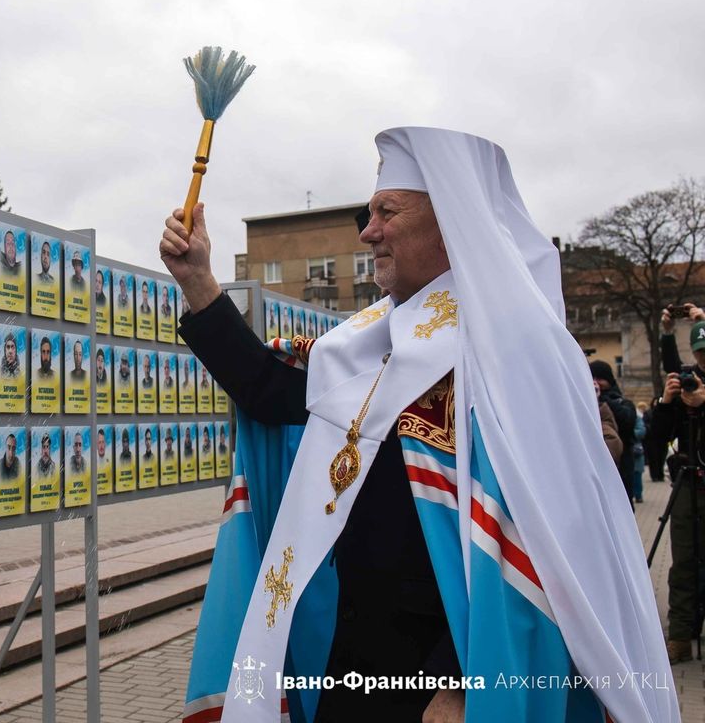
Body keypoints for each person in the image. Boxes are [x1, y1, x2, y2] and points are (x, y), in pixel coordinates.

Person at [165, 128, 674, 722]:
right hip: (352, 657)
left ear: (451, 224)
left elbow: (552, 534)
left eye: (387, 212)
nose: (367, 230)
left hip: (445, 673)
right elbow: (273, 397)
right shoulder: (367, 338)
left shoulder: (518, 347)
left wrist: (459, 682)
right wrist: (197, 280)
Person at [651, 306, 705, 665]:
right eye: (700, 351)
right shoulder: (687, 382)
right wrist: (667, 405)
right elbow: (656, 445)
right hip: (689, 483)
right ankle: (681, 636)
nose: (703, 358)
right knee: (683, 561)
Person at [590, 360, 636, 501]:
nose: (596, 382)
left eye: (600, 378)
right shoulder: (585, 403)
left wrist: (602, 399)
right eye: (592, 378)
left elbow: (627, 422)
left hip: (622, 468)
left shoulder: (622, 402)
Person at [634, 401, 648, 503]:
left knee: (637, 474)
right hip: (627, 452)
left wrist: (629, 433)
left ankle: (638, 495)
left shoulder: (637, 418)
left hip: (636, 450)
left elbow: (642, 431)